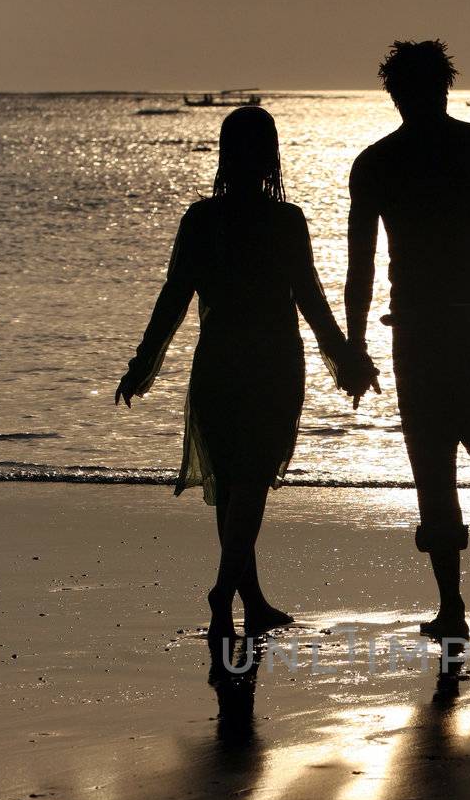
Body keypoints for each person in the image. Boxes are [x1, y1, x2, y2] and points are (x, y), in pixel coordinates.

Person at [116, 106, 377, 643]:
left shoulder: (201, 219)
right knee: (251, 483)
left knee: (234, 484)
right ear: (271, 156)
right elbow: (311, 301)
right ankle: (223, 591)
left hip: (218, 361)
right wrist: (346, 359)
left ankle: (249, 600)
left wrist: (144, 362)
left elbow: (174, 298)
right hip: (272, 363)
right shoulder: (285, 221)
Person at [345, 39, 470, 649]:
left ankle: (453, 607)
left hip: (421, 342)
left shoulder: (377, 163)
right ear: (444, 87)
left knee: (435, 475)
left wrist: (353, 346)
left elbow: (361, 270)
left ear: (397, 92)